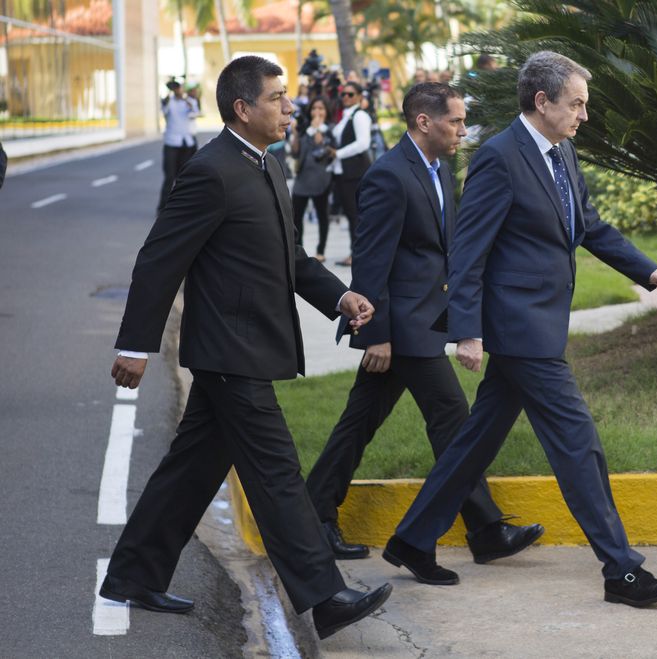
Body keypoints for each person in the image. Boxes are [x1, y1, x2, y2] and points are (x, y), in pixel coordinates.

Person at [100, 55, 391, 640]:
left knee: (192, 468)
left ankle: (131, 574)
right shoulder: (210, 171)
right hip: (228, 350)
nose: (291, 107)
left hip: (246, 346)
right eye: (278, 98)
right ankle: (325, 596)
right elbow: (159, 259)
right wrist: (135, 346)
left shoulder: (267, 166)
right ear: (243, 108)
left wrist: (341, 298)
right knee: (278, 471)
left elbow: (291, 259)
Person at [383, 51, 657, 608]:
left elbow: (587, 225)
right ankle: (621, 569)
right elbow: (468, 253)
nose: (583, 116)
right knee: (578, 444)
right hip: (520, 330)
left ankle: (411, 539)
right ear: (541, 101)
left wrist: (646, 269)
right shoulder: (499, 158)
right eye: (576, 104)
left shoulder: (561, 149)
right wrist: (466, 331)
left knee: (475, 441)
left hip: (540, 322)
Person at [306, 83, 544, 571]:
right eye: (455, 121)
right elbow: (373, 261)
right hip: (400, 328)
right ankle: (484, 529)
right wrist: (377, 335)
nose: (462, 129)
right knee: (455, 419)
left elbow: (441, 255)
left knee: (358, 423)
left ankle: (312, 519)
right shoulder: (389, 176)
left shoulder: (441, 169)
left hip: (421, 323)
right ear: (423, 122)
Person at [328, 81, 372, 266]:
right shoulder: (345, 116)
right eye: (343, 94)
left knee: (355, 215)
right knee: (350, 214)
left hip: (355, 172)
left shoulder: (360, 115)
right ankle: (354, 252)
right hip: (343, 172)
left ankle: (356, 254)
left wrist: (339, 153)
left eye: (350, 94)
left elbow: (363, 143)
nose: (346, 97)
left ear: (360, 96)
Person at [291, 96, 334, 260]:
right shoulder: (304, 128)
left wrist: (319, 134)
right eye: (314, 108)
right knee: (296, 216)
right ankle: (298, 250)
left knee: (323, 215)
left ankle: (320, 251)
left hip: (321, 178)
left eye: (321, 108)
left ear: (326, 111)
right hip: (302, 178)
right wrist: (295, 134)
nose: (317, 112)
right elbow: (295, 153)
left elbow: (326, 153)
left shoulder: (329, 128)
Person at [157, 79, 200, 213]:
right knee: (170, 177)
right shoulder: (168, 102)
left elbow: (194, 114)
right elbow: (164, 111)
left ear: (183, 88)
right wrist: (169, 96)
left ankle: (185, 207)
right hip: (171, 143)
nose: (177, 90)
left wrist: (187, 102)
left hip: (187, 144)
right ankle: (163, 208)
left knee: (186, 177)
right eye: (175, 88)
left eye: (179, 87)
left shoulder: (190, 102)